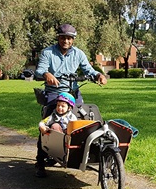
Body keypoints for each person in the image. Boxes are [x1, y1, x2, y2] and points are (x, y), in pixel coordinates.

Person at [34, 23, 107, 178]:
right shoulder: (48, 52)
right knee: (48, 124)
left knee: (84, 119)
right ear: (58, 38)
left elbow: (88, 69)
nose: (65, 41)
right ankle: (40, 161)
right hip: (54, 92)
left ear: (73, 40)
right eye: (62, 38)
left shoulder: (78, 54)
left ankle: (78, 152)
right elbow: (40, 70)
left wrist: (98, 76)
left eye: (69, 38)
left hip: (73, 93)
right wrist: (46, 74)